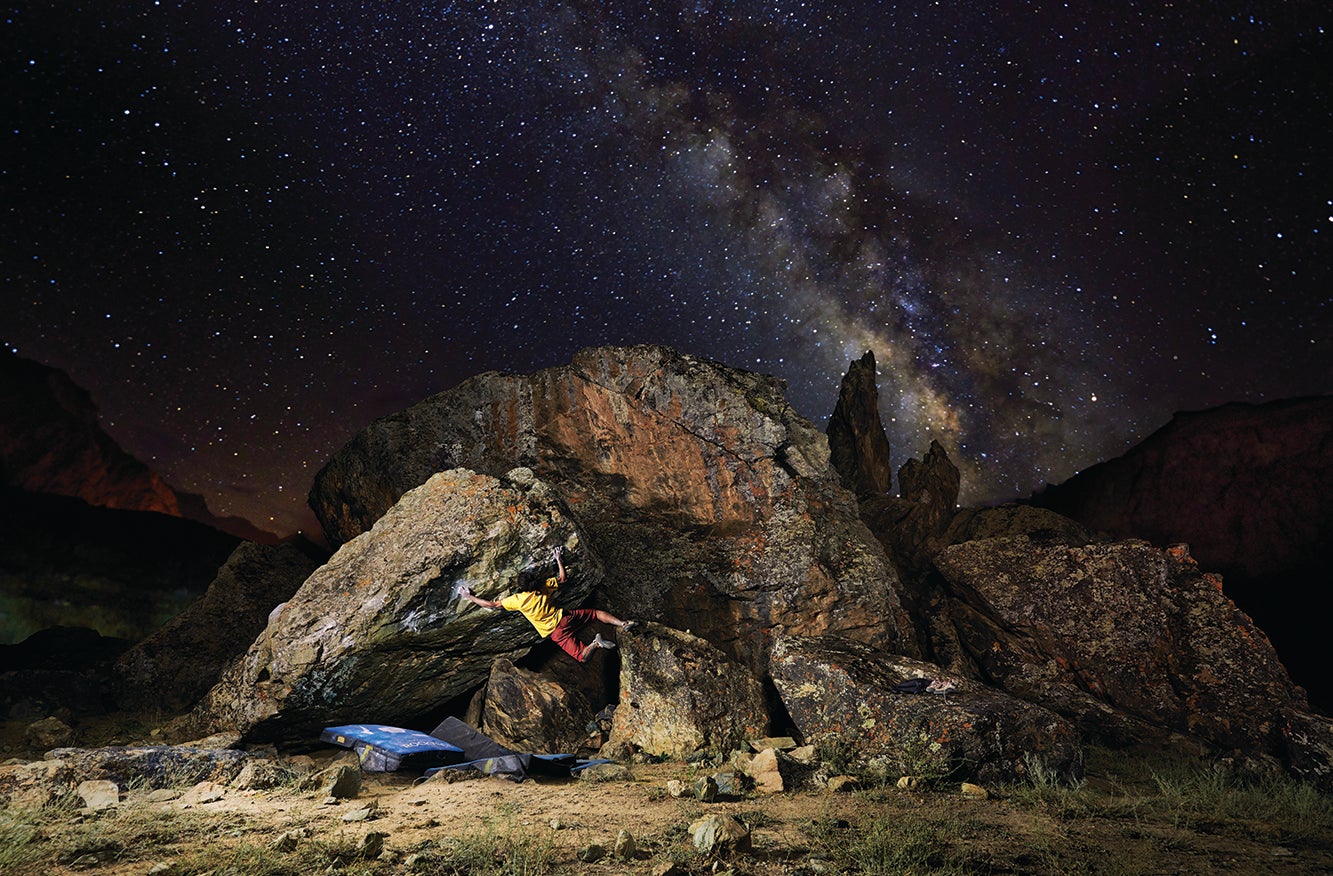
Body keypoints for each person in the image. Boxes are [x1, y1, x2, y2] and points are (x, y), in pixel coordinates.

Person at [457, 546, 636, 663]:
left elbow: (491, 605)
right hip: (566, 618)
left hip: (555, 632)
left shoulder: (518, 601)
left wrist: (469, 596)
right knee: (596, 613)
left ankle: (595, 644)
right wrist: (558, 558)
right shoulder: (544, 587)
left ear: (521, 588)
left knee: (582, 657)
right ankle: (623, 623)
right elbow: (563, 579)